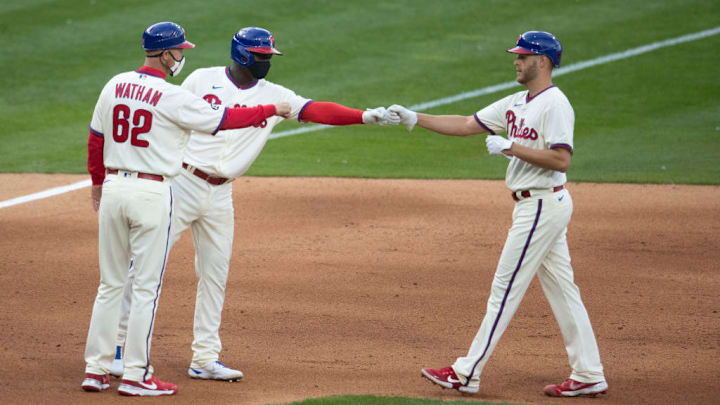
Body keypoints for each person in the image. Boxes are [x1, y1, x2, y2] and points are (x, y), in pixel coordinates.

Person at [109, 26, 394, 382]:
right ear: (243, 54)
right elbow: (170, 115)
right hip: (182, 183)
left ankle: (205, 358)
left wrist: (364, 115)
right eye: (261, 56)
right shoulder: (201, 80)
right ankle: (118, 348)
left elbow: (316, 110)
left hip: (221, 194)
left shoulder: (275, 95)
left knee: (215, 275)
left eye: (268, 57)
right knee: (147, 267)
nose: (265, 63)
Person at [388, 31, 608, 398]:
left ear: (542, 61)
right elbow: (466, 124)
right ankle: (588, 372)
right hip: (538, 205)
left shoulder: (555, 105)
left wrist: (512, 147)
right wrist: (415, 118)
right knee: (564, 291)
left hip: (540, 205)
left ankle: (466, 372)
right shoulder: (518, 101)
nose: (516, 61)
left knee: (504, 291)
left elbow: (561, 158)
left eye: (522, 56)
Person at [82, 21, 290, 396]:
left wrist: (97, 184)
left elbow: (96, 139)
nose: (182, 56)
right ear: (165, 54)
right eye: (179, 50)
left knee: (110, 284)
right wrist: (270, 108)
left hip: (114, 188)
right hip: (153, 192)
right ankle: (135, 375)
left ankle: (95, 370)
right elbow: (223, 120)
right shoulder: (169, 95)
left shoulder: (113, 83)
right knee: (146, 287)